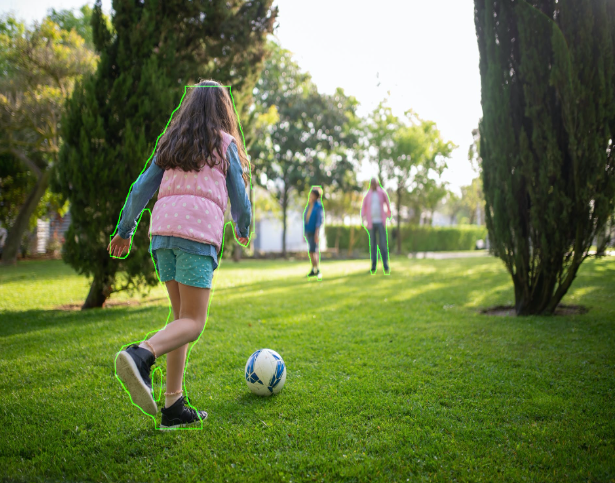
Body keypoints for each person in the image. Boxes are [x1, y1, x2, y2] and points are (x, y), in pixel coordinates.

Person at [107, 80, 251, 429]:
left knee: (179, 317)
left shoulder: (171, 143)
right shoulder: (225, 143)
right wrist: (243, 226)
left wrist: (125, 230)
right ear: (223, 110)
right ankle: (141, 354)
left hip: (162, 236)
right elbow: (240, 196)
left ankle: (173, 406)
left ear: (188, 107)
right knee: (194, 323)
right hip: (196, 236)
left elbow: (141, 187)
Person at [361, 177, 392, 274]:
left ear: (377, 184)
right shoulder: (368, 195)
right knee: (373, 245)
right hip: (371, 223)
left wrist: (388, 215)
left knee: (383, 243)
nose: (373, 185)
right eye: (372, 183)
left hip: (380, 222)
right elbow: (364, 207)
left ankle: (385, 265)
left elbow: (387, 204)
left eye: (375, 183)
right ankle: (373, 266)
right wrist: (363, 219)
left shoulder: (382, 193)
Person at [303, 187, 324, 279]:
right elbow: (306, 218)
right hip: (309, 230)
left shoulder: (318, 206)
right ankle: (313, 268)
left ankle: (317, 269)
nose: (310, 196)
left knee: (314, 250)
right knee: (311, 251)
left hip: (314, 231)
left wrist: (317, 232)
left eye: (312, 194)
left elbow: (319, 220)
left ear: (316, 196)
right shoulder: (310, 205)